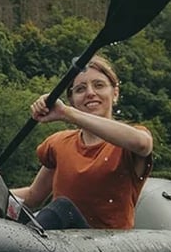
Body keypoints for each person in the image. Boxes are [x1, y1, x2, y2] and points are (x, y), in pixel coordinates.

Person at [10, 55, 153, 230]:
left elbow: (142, 144)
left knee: (63, 208)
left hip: (107, 250)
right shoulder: (58, 143)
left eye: (99, 85)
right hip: (63, 246)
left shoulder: (130, 141)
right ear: (72, 100)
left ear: (115, 94)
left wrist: (66, 114)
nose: (90, 93)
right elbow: (32, 197)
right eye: (80, 89)